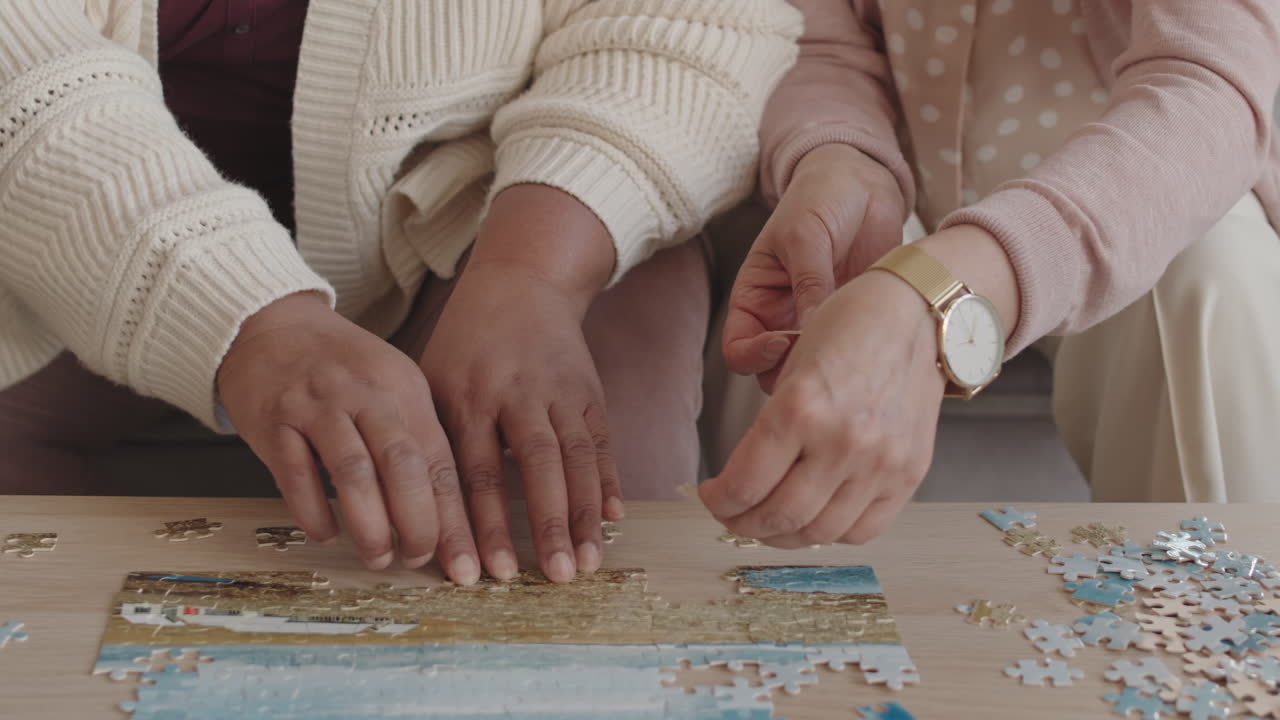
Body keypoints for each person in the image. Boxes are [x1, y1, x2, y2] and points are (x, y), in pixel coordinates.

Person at [0, 0, 802, 582]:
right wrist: (250, 320)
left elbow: (698, 25)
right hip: (43, 244)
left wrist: (534, 275)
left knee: (577, 500)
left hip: (474, 221)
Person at [702, 0, 1280, 547]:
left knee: (1211, 283)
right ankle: (790, 618)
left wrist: (944, 288)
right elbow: (815, 41)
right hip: (899, 173)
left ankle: (1218, 623)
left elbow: (1208, 84)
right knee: (811, 276)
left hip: (1134, 186)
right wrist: (840, 158)